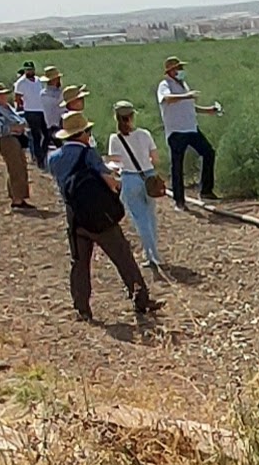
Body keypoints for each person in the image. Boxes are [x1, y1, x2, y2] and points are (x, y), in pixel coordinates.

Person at [46, 110, 156, 322]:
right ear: (83, 133)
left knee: (79, 262)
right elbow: (109, 180)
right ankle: (141, 299)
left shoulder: (54, 158)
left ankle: (82, 307)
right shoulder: (88, 154)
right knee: (123, 256)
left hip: (74, 214)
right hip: (99, 214)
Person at [156, 55, 221, 209]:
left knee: (208, 152)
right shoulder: (164, 85)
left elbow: (188, 106)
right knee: (177, 165)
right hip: (176, 132)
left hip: (191, 128)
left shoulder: (183, 85)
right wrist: (187, 96)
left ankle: (206, 190)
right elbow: (167, 99)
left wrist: (208, 110)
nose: (181, 71)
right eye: (179, 68)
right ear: (171, 71)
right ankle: (179, 201)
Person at [107, 101, 163, 271]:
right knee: (150, 215)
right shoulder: (145, 134)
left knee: (140, 219)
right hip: (149, 176)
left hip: (130, 179)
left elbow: (114, 163)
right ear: (132, 116)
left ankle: (151, 255)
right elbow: (156, 159)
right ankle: (154, 252)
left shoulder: (115, 139)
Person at [0, 85, 34, 210]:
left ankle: (18, 197)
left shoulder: (8, 108)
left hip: (16, 140)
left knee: (20, 166)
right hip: (8, 140)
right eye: (0, 95)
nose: (3, 97)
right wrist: (15, 128)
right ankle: (17, 199)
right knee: (15, 168)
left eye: (4, 94)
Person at [14, 61, 55, 167]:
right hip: (31, 111)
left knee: (47, 134)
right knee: (36, 136)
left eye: (31, 69)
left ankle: (42, 155)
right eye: (27, 69)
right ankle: (39, 160)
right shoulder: (21, 83)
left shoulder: (38, 80)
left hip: (42, 110)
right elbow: (17, 98)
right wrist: (23, 107)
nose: (29, 71)